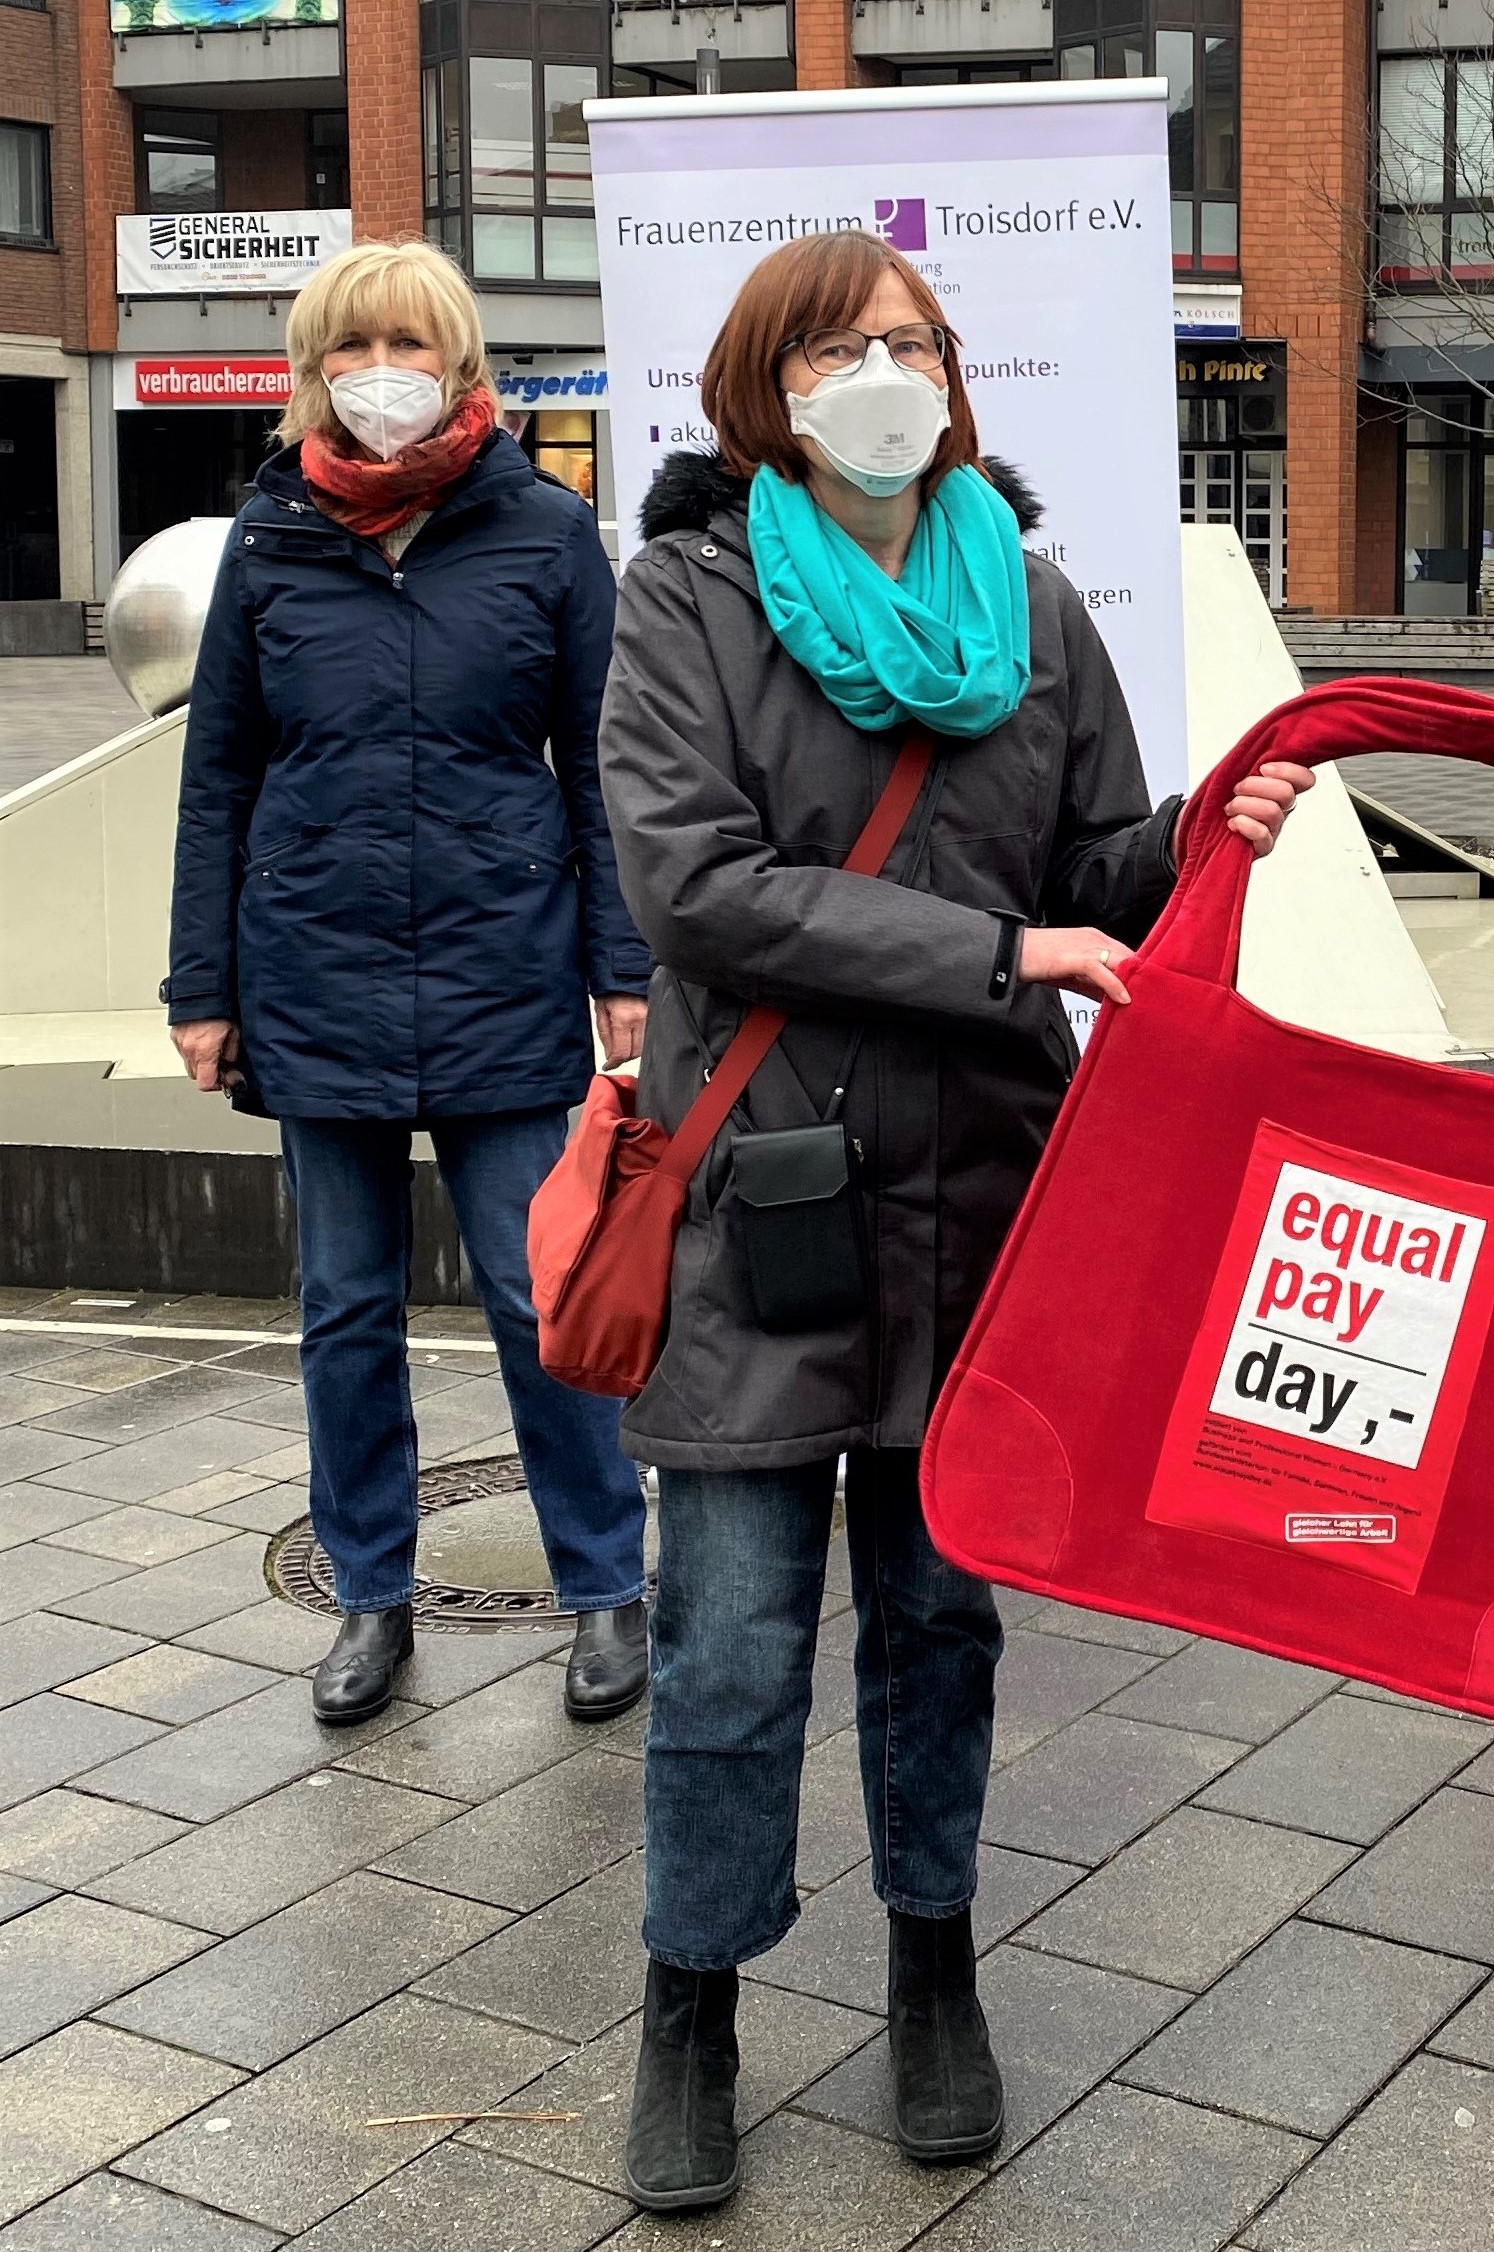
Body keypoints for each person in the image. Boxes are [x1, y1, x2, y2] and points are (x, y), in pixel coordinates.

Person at [596, 229, 1310, 2212]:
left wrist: (1206, 830)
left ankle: (932, 1970)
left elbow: (1098, 869)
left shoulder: (1035, 600)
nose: (889, 373)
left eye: (914, 339)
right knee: (730, 1646)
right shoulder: (686, 595)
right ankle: (692, 2003)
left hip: (990, 1197)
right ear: (771, 389)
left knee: (939, 1622)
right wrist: (1002, 949)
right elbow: (700, 892)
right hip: (764, 1204)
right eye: (843, 348)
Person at [165, 240, 654, 1729]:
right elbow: (218, 779)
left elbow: (606, 770)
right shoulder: (266, 542)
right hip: (313, 975)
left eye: (412, 340)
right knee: (343, 1308)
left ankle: (605, 1589)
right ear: (315, 366)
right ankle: (369, 1597)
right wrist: (204, 983)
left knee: (538, 1295)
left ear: (459, 358)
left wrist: (622, 967)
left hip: (507, 976)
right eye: (355, 342)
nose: (386, 366)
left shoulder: (548, 530)